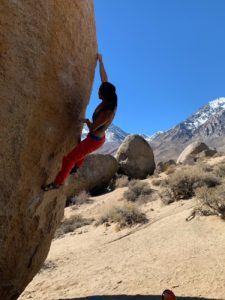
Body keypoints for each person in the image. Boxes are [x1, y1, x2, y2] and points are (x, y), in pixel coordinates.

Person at [41, 54, 117, 192]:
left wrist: (87, 121)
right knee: (80, 152)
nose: (97, 92)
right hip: (95, 138)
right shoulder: (108, 101)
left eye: (99, 92)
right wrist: (101, 61)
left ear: (104, 95)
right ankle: (76, 167)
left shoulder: (107, 112)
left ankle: (57, 183)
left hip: (94, 139)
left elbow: (93, 129)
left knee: (68, 159)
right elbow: (104, 79)